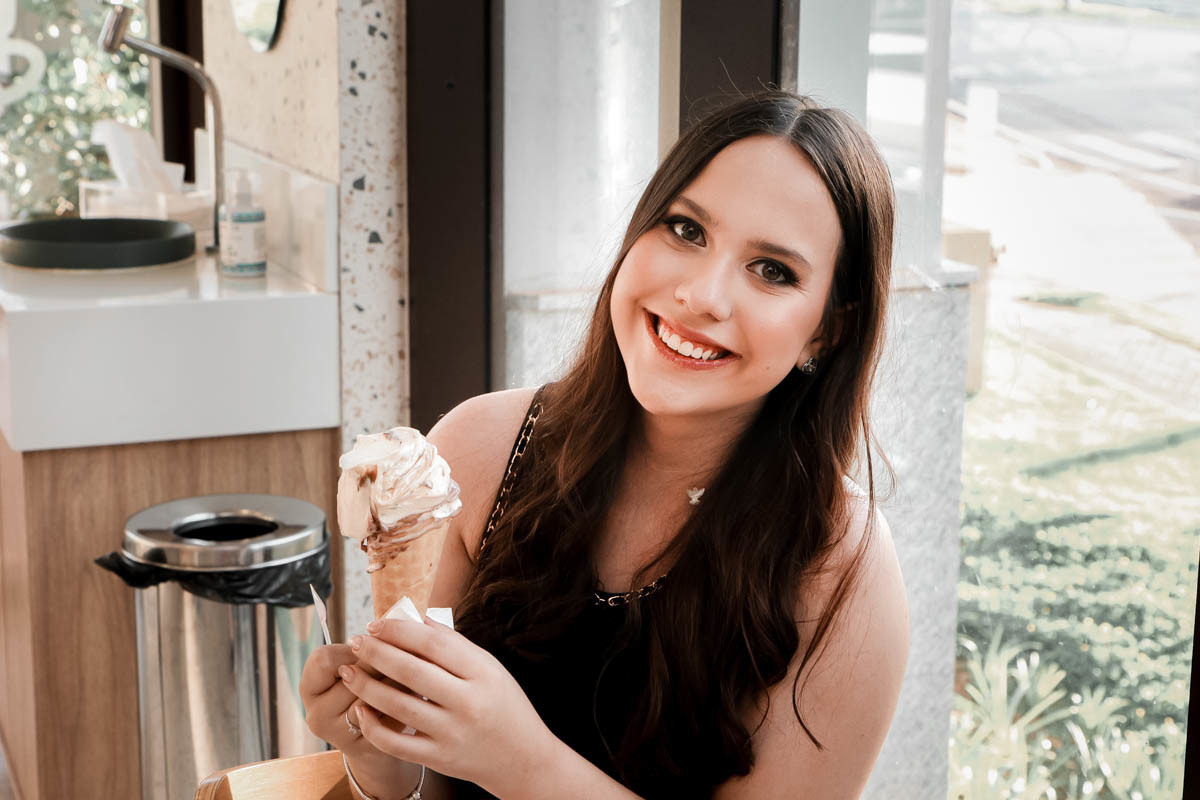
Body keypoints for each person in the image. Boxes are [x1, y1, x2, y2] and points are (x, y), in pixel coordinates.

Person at [300, 89, 909, 800]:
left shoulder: (843, 572)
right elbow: (423, 786)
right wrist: (378, 758)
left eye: (773, 270)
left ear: (828, 330)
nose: (702, 295)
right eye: (686, 230)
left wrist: (520, 762)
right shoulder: (478, 453)